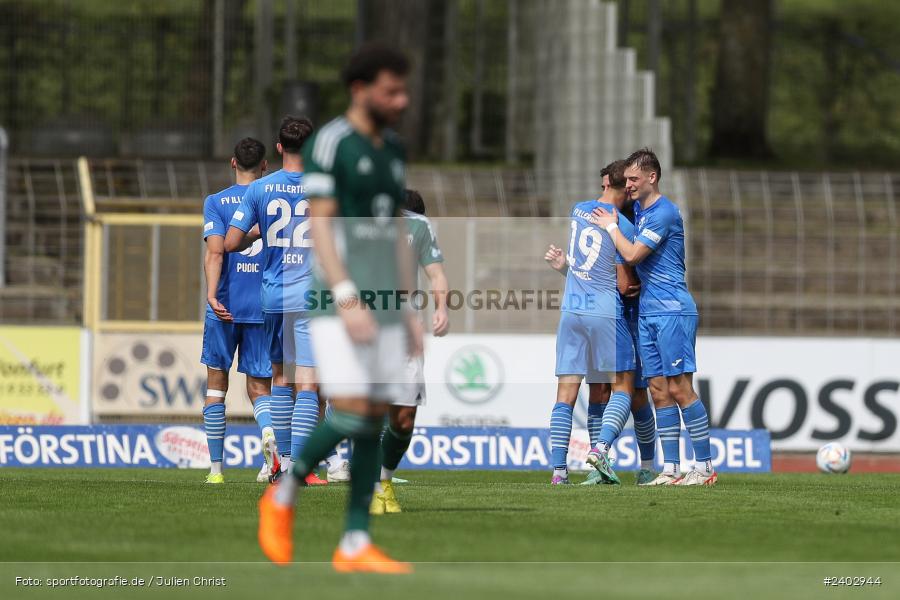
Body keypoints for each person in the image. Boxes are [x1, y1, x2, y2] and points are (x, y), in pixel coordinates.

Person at [257, 43, 421, 573]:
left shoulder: (393, 148)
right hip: (336, 299)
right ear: (360, 89)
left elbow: (396, 231)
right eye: (391, 90)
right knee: (353, 410)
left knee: (371, 418)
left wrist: (407, 306)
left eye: (404, 89)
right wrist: (348, 296)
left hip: (384, 302)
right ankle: (283, 491)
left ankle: (354, 542)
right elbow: (322, 227)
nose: (402, 99)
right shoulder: (331, 143)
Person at [592, 148, 716, 486]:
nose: (627, 185)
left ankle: (704, 467)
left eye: (633, 179)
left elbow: (632, 253)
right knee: (659, 390)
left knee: (680, 388)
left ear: (652, 177)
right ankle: (672, 469)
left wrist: (611, 225)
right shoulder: (642, 213)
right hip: (648, 311)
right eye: (626, 180)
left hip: (673, 309)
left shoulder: (664, 212)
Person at [225, 117, 327, 486]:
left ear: (279, 147)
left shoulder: (259, 190)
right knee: (309, 383)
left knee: (281, 380)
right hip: (313, 296)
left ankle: (282, 465)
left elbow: (231, 242)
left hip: (274, 295)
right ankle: (299, 467)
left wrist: (259, 233)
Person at [544, 161, 657, 485]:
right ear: (627, 187)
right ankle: (602, 451)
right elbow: (623, 284)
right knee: (626, 387)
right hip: (606, 313)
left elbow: (582, 266)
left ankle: (559, 471)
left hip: (572, 310)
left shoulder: (579, 210)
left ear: (607, 183)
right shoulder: (622, 225)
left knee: (566, 393)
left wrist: (565, 267)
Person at [370, 189, 449, 514]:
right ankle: (372, 488)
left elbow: (436, 273)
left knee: (404, 418)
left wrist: (442, 306)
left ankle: (384, 479)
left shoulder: (418, 226)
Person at [200, 138, 273, 485]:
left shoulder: (215, 202)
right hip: (263, 304)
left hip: (225, 304)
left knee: (217, 385)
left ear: (233, 163)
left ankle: (216, 470)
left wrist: (213, 295)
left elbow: (216, 252)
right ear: (264, 166)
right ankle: (270, 441)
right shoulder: (271, 197)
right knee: (260, 387)